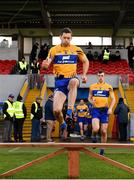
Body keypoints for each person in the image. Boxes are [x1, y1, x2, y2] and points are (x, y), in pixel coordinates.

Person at [42, 27, 89, 140]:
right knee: (57, 110)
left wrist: (84, 74)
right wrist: (44, 65)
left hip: (72, 78)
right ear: (60, 37)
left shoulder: (76, 49)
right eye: (65, 38)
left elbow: (85, 61)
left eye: (69, 38)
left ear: (71, 38)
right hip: (59, 82)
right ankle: (63, 123)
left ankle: (69, 111)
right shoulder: (54, 50)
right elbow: (47, 63)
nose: (67, 40)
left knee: (73, 82)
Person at [88, 70, 115, 155]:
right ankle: (94, 137)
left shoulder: (109, 87)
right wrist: (91, 102)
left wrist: (110, 108)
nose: (100, 77)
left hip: (105, 110)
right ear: (97, 76)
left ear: (104, 76)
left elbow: (113, 99)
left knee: (103, 131)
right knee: (96, 128)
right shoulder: (92, 86)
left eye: (102, 75)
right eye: (99, 75)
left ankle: (102, 149)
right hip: (95, 110)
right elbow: (89, 97)